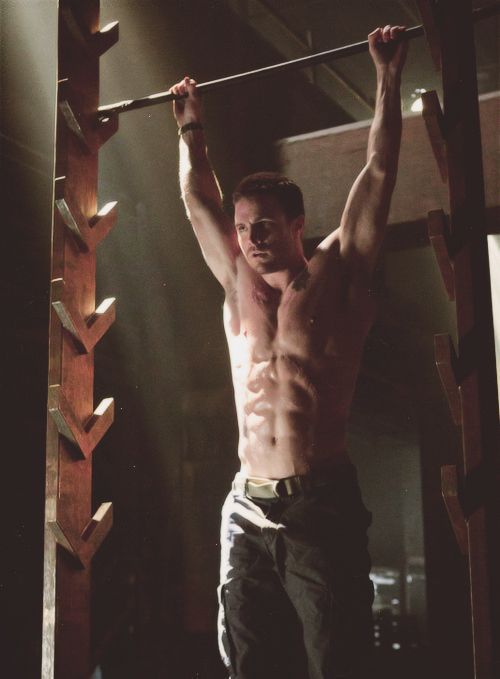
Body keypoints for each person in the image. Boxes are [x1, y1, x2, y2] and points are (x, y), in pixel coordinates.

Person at [170, 24, 408, 679]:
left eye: (264, 226)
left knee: (337, 659)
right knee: (250, 662)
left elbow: (379, 173)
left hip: (317, 502)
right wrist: (190, 129)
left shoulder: (339, 273)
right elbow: (196, 198)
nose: (249, 239)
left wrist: (387, 77)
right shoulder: (235, 284)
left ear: (298, 225)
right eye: (243, 227)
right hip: (246, 503)